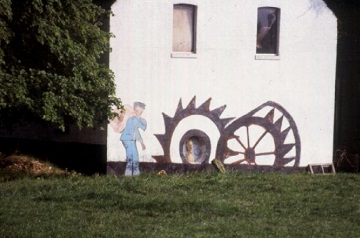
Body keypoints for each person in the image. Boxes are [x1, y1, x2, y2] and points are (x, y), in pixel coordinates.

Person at [120, 102, 147, 176]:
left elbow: (136, 132)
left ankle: (135, 174)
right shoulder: (133, 119)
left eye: (141, 112)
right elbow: (143, 127)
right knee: (130, 156)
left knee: (135, 156)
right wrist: (141, 120)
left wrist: (142, 143)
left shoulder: (134, 119)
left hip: (131, 140)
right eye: (138, 111)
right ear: (134, 110)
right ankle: (128, 175)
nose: (139, 113)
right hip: (127, 139)